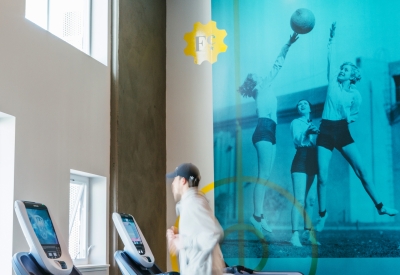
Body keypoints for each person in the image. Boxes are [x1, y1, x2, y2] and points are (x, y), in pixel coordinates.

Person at [315, 23, 398, 232]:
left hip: (342, 131)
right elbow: (331, 59)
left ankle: (380, 207)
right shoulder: (332, 83)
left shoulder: (356, 95)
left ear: (353, 76)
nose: (341, 71)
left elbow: (354, 115)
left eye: (346, 70)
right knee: (322, 176)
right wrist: (331, 39)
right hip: (325, 130)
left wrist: (347, 119)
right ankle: (322, 216)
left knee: (362, 171)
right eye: (341, 69)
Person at [238, 32, 299, 233]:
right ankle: (256, 217)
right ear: (253, 82)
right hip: (263, 129)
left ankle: (260, 216)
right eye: (256, 75)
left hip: (271, 131)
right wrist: (288, 44)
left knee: (266, 177)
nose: (261, 75)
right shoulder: (260, 87)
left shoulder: (265, 88)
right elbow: (277, 65)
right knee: (262, 175)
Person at [166, 163, 225, 275]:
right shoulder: (193, 202)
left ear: (183, 181)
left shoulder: (193, 203)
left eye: (175, 179)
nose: (172, 183)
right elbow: (199, 236)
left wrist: (184, 241)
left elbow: (214, 234)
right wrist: (178, 237)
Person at [289, 99, 320, 247]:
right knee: (299, 200)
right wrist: (307, 132)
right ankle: (294, 235)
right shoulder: (296, 122)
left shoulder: (313, 124)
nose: (302, 105)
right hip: (301, 157)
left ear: (309, 108)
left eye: (305, 103)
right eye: (299, 104)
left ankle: (307, 233)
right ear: (298, 109)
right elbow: (297, 139)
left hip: (313, 159)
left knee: (311, 200)